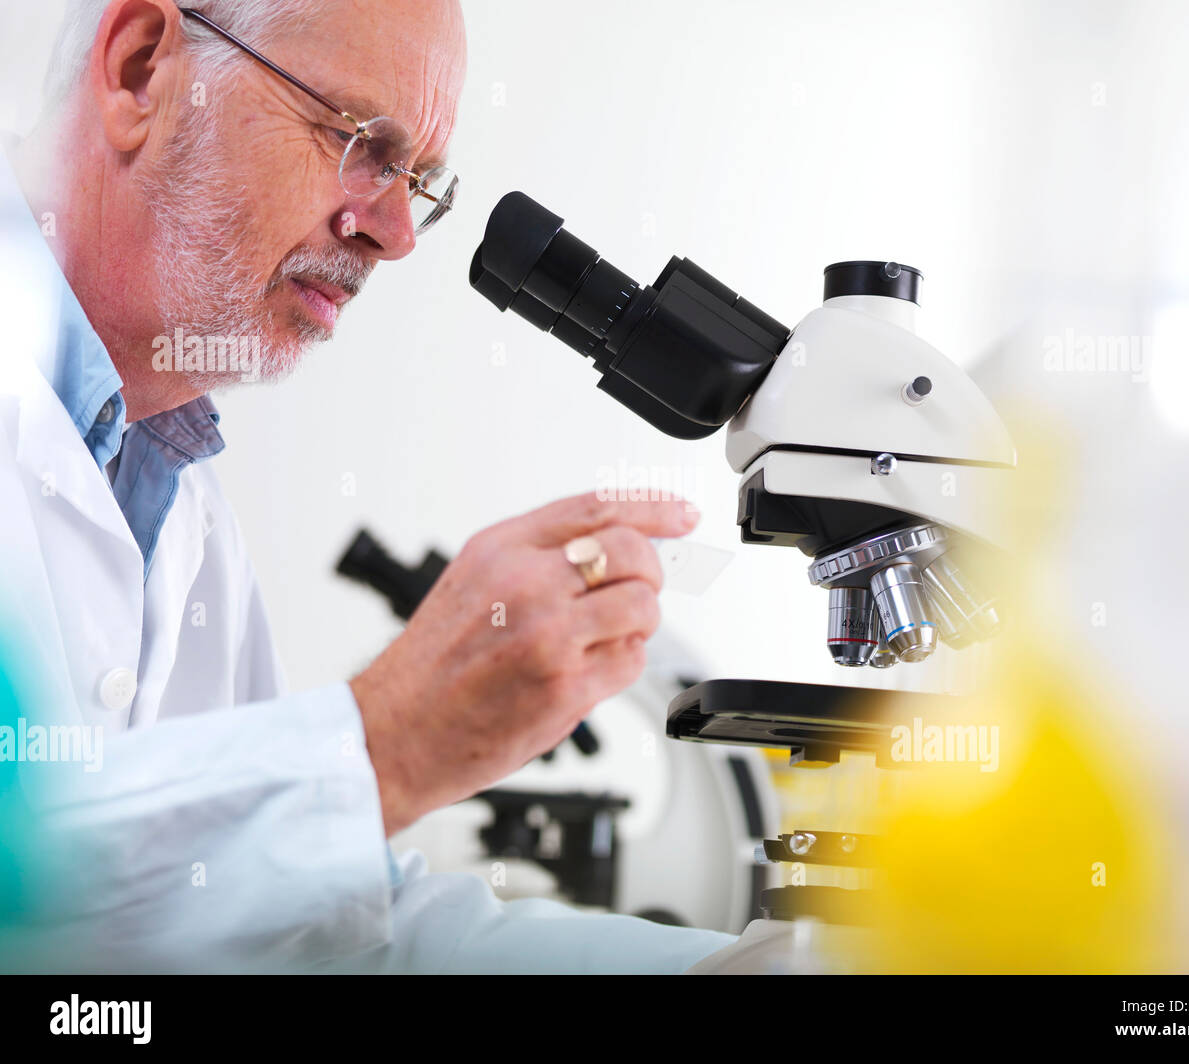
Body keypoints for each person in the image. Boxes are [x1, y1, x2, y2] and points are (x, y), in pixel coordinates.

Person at [0, 0, 735, 973]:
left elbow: (315, 928)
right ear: (142, 70)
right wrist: (384, 744)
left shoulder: (169, 478)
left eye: (416, 179)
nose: (394, 232)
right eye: (359, 142)